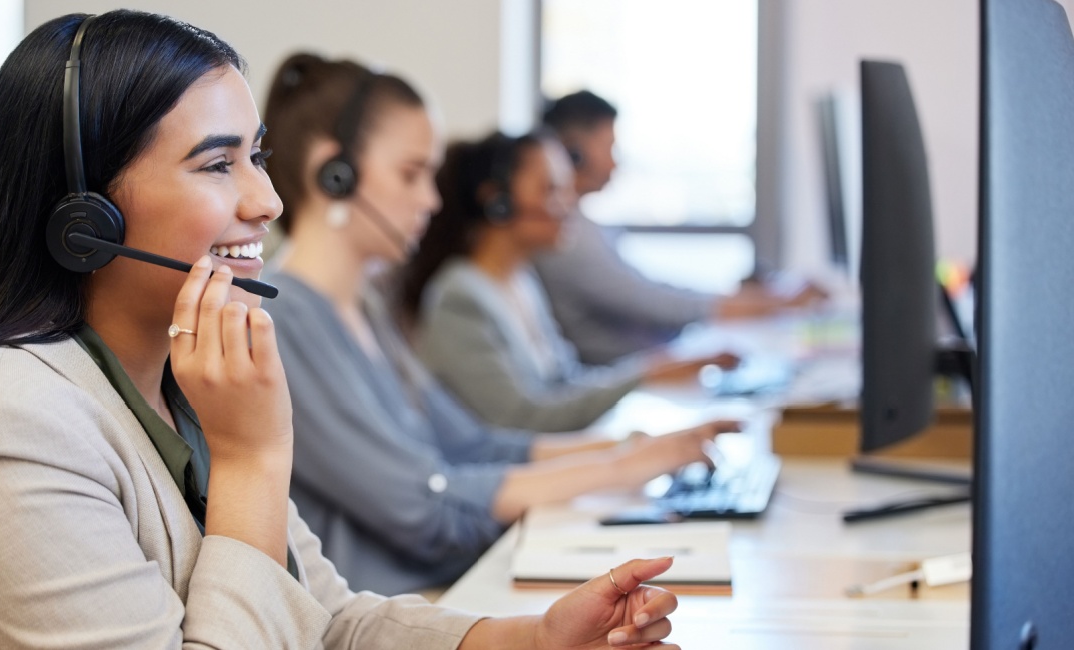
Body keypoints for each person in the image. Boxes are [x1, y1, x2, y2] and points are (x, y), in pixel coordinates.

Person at [0, 12, 690, 648]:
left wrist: (530, 638)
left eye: (258, 156)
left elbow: (321, 622)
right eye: (217, 163)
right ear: (84, 218)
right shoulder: (7, 424)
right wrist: (253, 461)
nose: (266, 201)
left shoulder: (177, 377)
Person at [260, 52, 739, 596]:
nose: (432, 199)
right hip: (395, 608)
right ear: (334, 173)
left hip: (449, 584)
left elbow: (473, 446)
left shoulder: (364, 307)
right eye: (412, 173)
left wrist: (628, 450)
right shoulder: (284, 320)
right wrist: (616, 470)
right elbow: (422, 506)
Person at [399, 131, 737, 433]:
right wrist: (643, 377)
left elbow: (566, 382)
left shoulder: (520, 278)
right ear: (497, 201)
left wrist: (653, 371)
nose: (569, 203)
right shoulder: (460, 297)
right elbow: (522, 419)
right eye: (551, 190)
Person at [534, 90, 824, 365]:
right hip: (631, 376)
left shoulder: (581, 226)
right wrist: (773, 303)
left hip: (649, 366)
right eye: (609, 147)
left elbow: (651, 290)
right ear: (573, 153)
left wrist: (755, 299)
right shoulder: (565, 237)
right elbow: (653, 303)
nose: (615, 163)